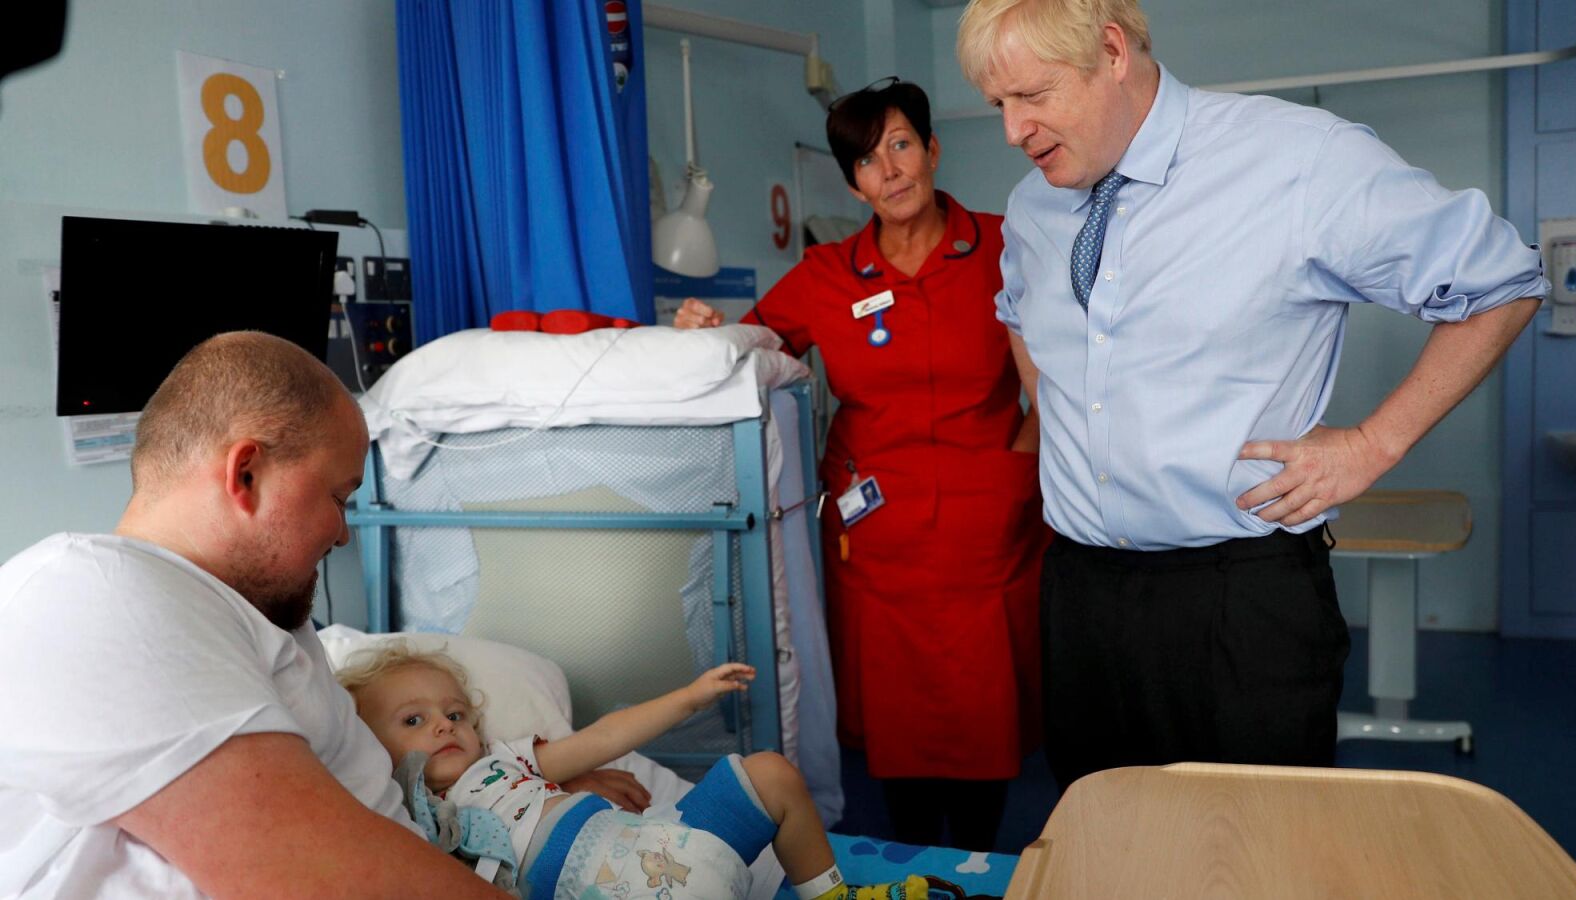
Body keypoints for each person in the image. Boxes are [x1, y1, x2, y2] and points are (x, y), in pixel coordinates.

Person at [954, 0, 1547, 790]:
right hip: (1080, 595)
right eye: (997, 103)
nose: (1012, 130)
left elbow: (1502, 283)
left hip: (1239, 600)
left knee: (1257, 843)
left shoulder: (1296, 161)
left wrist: (1373, 443)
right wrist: (1068, 429)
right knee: (1103, 833)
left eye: (1033, 95)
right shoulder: (1035, 205)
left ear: (1112, 52)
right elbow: (1019, 312)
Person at [0, 332, 610, 898]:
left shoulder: (257, 616)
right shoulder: (96, 592)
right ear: (246, 473)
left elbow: (371, 798)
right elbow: (317, 878)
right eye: (339, 497)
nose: (343, 534)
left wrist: (529, 801)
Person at [674, 78, 1049, 849]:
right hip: (875, 541)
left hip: (989, 530)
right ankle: (909, 860)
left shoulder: (1008, 246)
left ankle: (978, 863)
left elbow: (1062, 379)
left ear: (932, 150)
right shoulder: (827, 275)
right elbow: (753, 351)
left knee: (984, 720)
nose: (891, 170)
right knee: (897, 725)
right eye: (869, 161)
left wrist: (1016, 469)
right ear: (853, 185)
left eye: (902, 145)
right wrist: (703, 328)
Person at [337, 640, 952, 900]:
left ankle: (831, 894)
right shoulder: (403, 823)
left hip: (667, 840)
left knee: (769, 772)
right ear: (370, 749)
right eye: (413, 721)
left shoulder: (506, 763)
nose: (444, 726)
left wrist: (689, 697)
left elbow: (604, 738)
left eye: (454, 713)